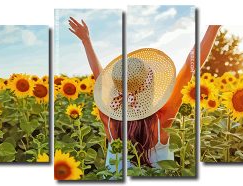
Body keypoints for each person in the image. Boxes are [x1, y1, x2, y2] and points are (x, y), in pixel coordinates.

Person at [68, 17, 220, 170]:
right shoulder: (163, 118)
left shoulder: (109, 119)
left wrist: (86, 42)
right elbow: (190, 68)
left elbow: (99, 78)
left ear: (116, 86)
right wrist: (213, 27)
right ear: (151, 86)